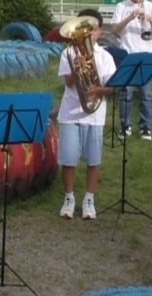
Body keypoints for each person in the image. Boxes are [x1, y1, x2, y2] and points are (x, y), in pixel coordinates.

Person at [57, 17, 116, 220]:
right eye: (84, 31)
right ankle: (69, 198)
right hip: (71, 112)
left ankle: (89, 199)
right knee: (69, 158)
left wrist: (99, 89)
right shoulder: (68, 53)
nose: (89, 35)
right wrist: (76, 68)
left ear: (99, 31)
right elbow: (69, 83)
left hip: (95, 114)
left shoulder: (106, 57)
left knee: (94, 159)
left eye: (92, 31)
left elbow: (112, 87)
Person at [111, 0, 152, 141]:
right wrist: (130, 17)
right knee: (126, 93)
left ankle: (145, 127)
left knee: (146, 94)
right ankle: (125, 125)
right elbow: (115, 30)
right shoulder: (121, 7)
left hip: (145, 56)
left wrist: (148, 18)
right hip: (127, 54)